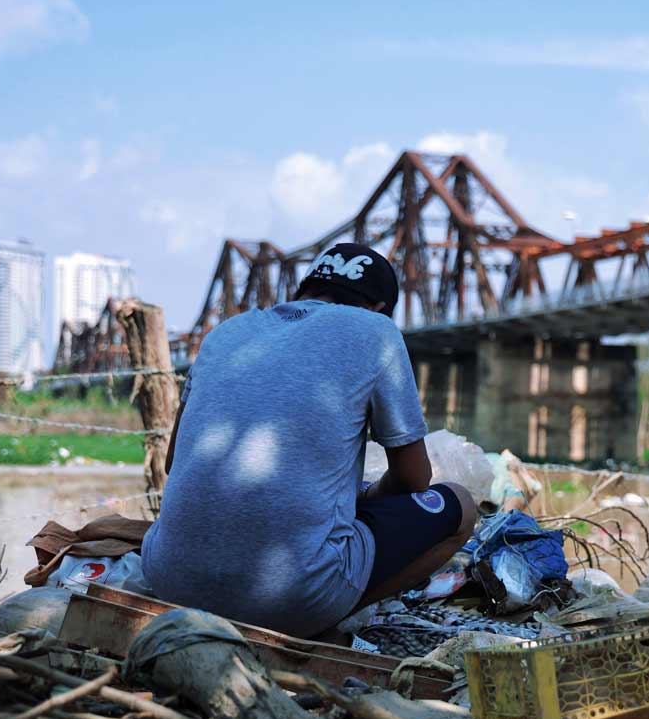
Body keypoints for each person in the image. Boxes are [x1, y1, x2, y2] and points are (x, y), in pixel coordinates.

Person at [140, 243, 477, 638]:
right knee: (462, 507)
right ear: (381, 307)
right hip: (290, 601)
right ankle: (325, 617)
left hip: (168, 582)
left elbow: (173, 461)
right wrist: (365, 497)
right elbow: (413, 481)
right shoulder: (376, 331)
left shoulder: (226, 333)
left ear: (304, 289)